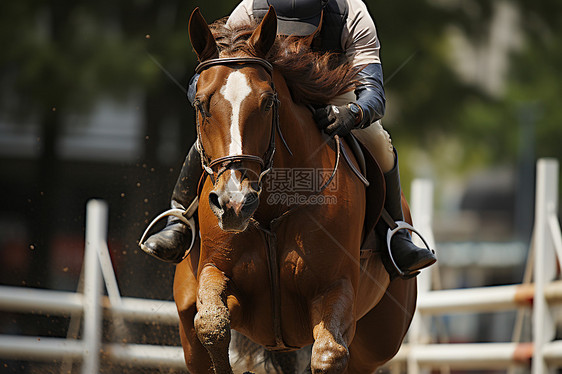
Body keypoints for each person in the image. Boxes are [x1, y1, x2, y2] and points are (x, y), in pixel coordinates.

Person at [140, 0, 436, 278]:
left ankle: (396, 234)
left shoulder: (351, 12)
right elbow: (211, 74)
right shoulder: (249, 9)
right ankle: (179, 219)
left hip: (333, 94)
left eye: (304, 30)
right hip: (266, 93)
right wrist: (207, 96)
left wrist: (354, 113)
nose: (295, 42)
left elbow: (373, 91)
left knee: (378, 142)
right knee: (225, 134)